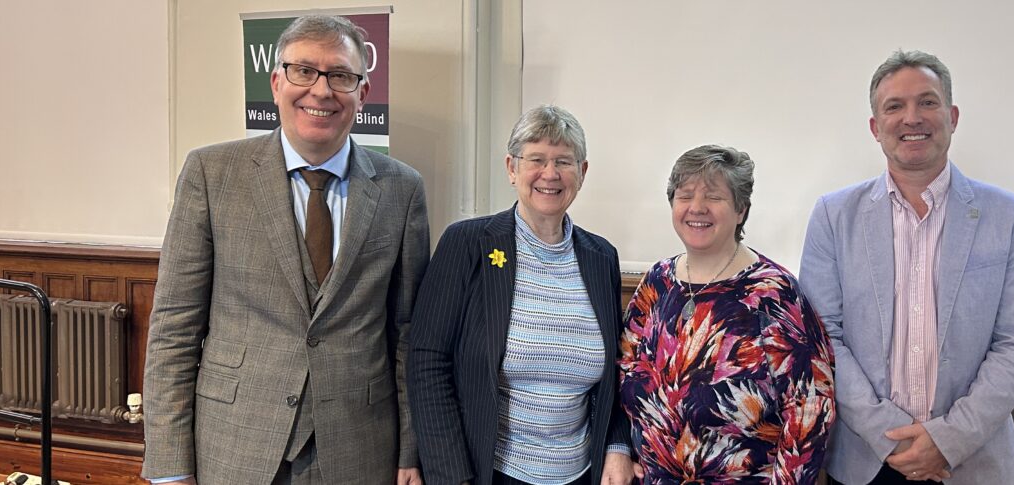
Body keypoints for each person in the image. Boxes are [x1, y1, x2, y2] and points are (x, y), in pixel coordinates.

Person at [141, 15, 428, 485]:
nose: (320, 90)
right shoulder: (212, 174)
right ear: (276, 83)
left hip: (360, 449)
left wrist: (411, 450)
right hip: (236, 444)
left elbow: (407, 334)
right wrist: (171, 467)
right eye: (303, 71)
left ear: (363, 92)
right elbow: (174, 326)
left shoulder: (402, 188)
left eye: (340, 75)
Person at [800, 50, 1014, 485]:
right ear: (876, 128)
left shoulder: (1010, 216)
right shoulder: (833, 216)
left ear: (952, 116)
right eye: (894, 106)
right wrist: (890, 436)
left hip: (972, 462)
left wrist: (947, 440)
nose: (912, 117)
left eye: (927, 102)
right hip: (868, 461)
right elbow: (823, 338)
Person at [406, 105, 633, 485]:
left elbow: (618, 372)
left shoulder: (601, 257)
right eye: (536, 159)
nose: (550, 174)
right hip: (489, 472)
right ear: (512, 168)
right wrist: (450, 475)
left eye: (564, 161)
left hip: (582, 473)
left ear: (583, 172)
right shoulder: (468, 243)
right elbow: (427, 363)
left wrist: (618, 446)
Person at [618, 145, 836, 484]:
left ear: (741, 210)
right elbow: (626, 368)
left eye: (714, 197)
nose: (697, 208)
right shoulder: (657, 282)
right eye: (685, 195)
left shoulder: (773, 293)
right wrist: (622, 451)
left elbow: (810, 408)